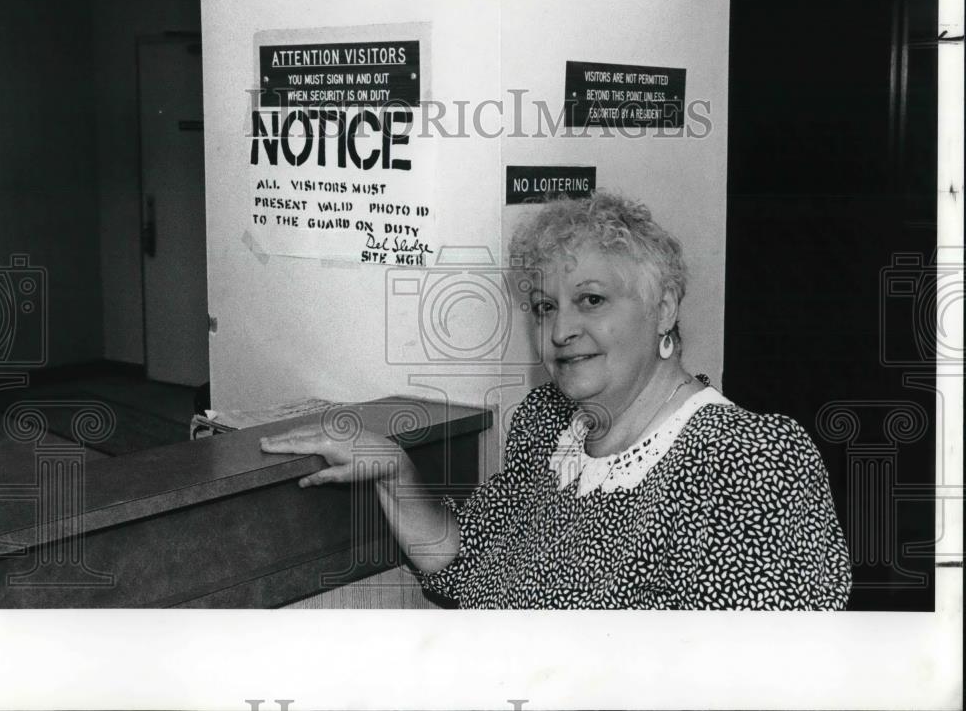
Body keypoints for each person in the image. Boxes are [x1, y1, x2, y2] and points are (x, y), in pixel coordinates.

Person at [261, 192, 852, 609]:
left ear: (665, 308)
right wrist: (395, 472)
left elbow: (758, 681)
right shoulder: (548, 422)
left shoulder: (746, 459)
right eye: (544, 308)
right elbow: (467, 568)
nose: (560, 330)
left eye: (591, 300)